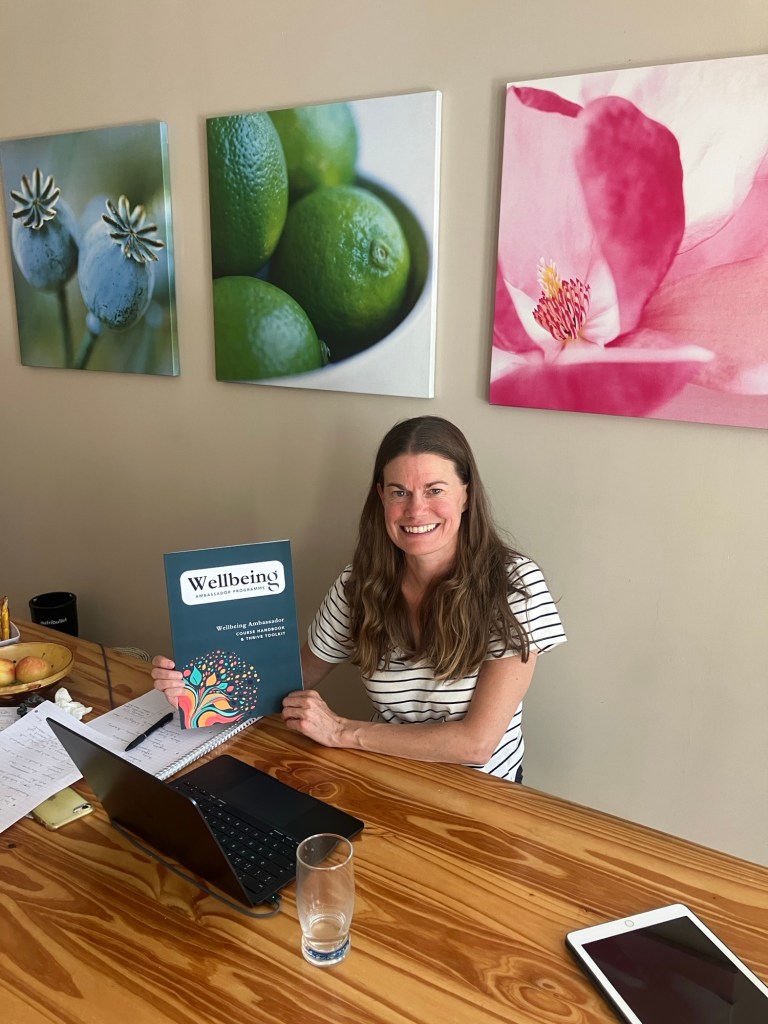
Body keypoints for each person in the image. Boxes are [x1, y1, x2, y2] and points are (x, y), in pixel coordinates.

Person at [151, 416, 566, 782]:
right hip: (382, 775)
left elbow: (476, 744)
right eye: (400, 492)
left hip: (482, 794)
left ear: (466, 494)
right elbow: (292, 680)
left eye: (434, 490)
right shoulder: (359, 585)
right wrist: (200, 688)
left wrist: (339, 732)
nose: (416, 510)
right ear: (381, 497)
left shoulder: (514, 585)